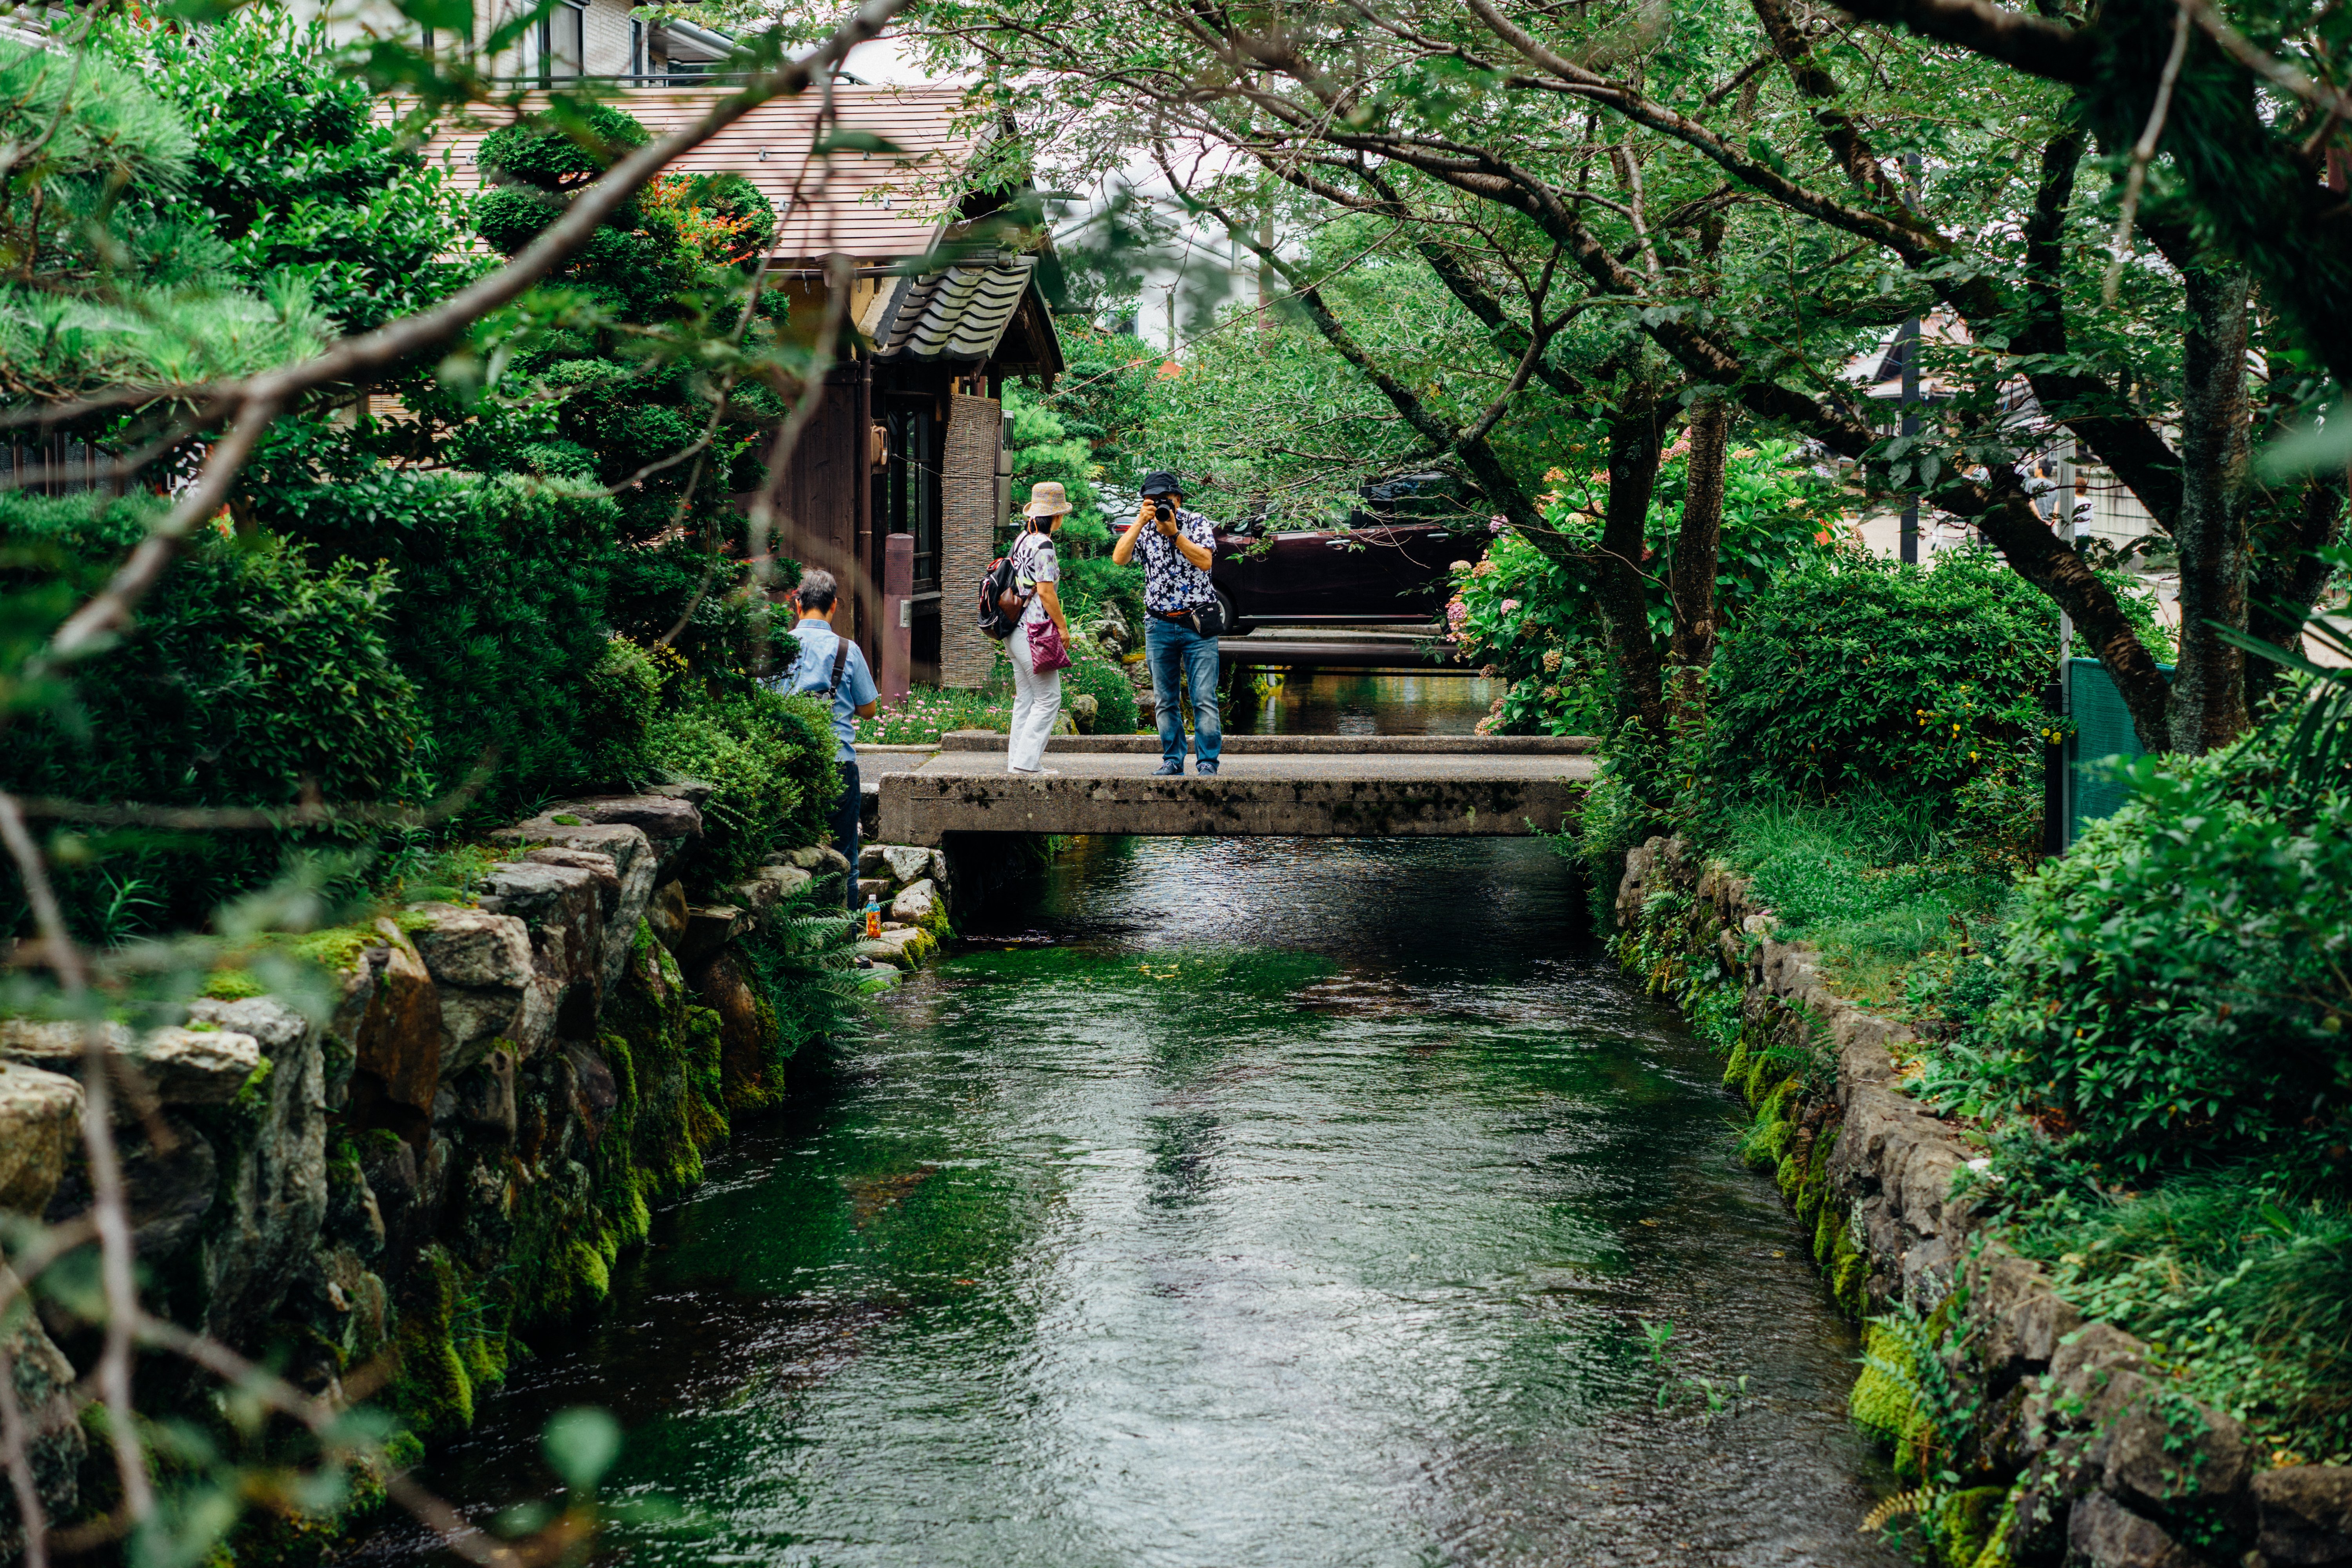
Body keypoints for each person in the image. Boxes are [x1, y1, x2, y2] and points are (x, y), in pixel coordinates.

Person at [1111, 468, 1222, 775]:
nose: (1159, 504)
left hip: (1197, 623)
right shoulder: (1143, 529)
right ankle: (1172, 760)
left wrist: (1174, 533)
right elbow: (1119, 559)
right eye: (1151, 500)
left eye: (1164, 499)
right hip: (1158, 624)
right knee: (1164, 700)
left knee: (1203, 698)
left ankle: (1207, 763)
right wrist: (1139, 522)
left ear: (1177, 499)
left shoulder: (1197, 522)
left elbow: (1205, 561)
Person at [780, 570, 878, 909]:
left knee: (790, 853)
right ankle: (845, 944)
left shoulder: (779, 650)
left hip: (788, 767)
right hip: (838, 765)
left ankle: (800, 935)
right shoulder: (847, 651)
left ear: (797, 604)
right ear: (834, 606)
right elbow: (869, 709)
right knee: (844, 856)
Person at [1007, 481, 1073, 775]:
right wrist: (1063, 628)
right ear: (1057, 517)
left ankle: (1017, 763)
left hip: (1013, 629)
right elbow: (1046, 592)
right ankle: (1027, 763)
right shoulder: (1044, 545)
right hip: (1035, 632)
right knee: (1049, 699)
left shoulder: (1022, 539)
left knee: (1027, 699)